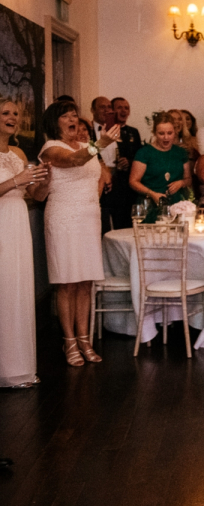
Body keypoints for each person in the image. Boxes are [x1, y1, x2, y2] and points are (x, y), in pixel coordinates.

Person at [37, 99, 119, 366]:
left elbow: (100, 174)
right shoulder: (51, 148)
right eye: (67, 115)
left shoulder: (87, 146)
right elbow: (73, 161)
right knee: (67, 281)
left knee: (85, 282)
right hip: (63, 217)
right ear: (55, 121)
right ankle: (69, 341)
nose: (74, 117)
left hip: (88, 217)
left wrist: (93, 201)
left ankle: (85, 339)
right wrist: (101, 144)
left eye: (75, 113)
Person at [0, 100, 49, 388]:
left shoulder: (18, 152)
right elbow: (15, 184)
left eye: (16, 114)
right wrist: (16, 180)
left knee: (16, 290)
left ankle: (17, 367)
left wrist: (45, 180)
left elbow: (38, 196)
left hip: (17, 225)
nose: (13, 118)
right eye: (6, 113)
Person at [128, 112, 192, 221]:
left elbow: (188, 179)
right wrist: (152, 194)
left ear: (175, 132)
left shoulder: (180, 152)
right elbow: (133, 181)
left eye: (169, 133)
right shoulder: (145, 152)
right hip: (150, 205)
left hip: (176, 206)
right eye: (161, 133)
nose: (166, 137)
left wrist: (181, 182)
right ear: (154, 133)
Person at [102, 97, 142, 230]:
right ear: (112, 111)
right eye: (119, 107)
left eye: (126, 108)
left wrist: (129, 162)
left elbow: (139, 155)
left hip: (129, 185)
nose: (124, 111)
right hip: (111, 183)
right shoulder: (105, 132)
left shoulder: (133, 132)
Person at [90, 97, 120, 233]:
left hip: (117, 180)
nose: (107, 110)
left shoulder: (118, 130)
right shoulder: (88, 130)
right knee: (101, 223)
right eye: (102, 107)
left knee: (118, 222)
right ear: (93, 110)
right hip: (98, 179)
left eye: (109, 107)